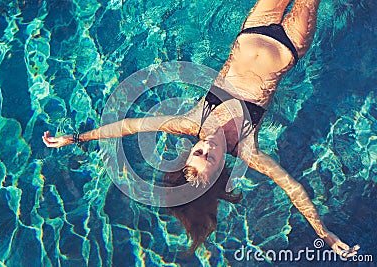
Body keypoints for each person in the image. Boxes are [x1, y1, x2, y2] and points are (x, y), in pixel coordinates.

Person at [43, 0, 360, 258]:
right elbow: (292, 189)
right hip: (289, 45)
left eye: (197, 152)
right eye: (209, 157)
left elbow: (130, 126)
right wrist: (324, 234)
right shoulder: (248, 149)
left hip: (252, 30)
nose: (206, 147)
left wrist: (77, 138)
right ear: (220, 166)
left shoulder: (191, 122)